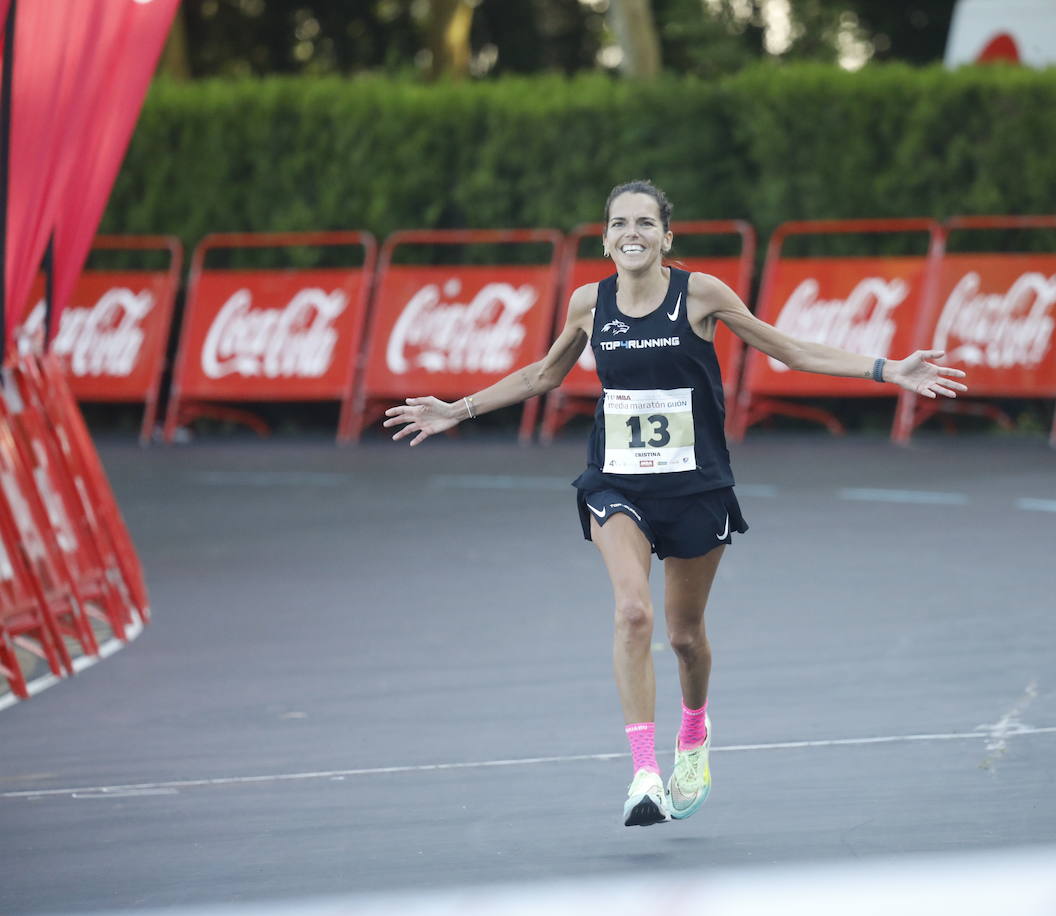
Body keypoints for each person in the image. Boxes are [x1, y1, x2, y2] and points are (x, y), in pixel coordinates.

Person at [383, 180, 967, 827]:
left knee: (685, 636)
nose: (631, 233)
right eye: (619, 223)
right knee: (633, 612)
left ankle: (694, 734)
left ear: (667, 237)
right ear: (605, 240)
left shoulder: (701, 295)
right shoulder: (587, 303)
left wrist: (888, 370)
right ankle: (643, 774)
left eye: (644, 223)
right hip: (617, 483)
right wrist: (453, 411)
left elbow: (789, 349)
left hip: (695, 488)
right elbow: (542, 376)